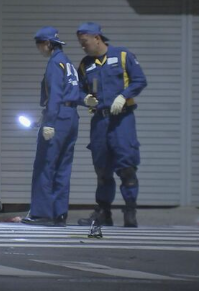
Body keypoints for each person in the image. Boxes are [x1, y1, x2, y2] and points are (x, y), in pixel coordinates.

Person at [76, 22, 147, 227]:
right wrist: (85, 99)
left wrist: (124, 97)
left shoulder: (123, 56)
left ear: (97, 38)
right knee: (102, 170)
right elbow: (79, 89)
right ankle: (104, 212)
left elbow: (139, 81)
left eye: (85, 42)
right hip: (100, 120)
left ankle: (130, 211)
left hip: (122, 119)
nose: (83, 47)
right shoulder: (85, 64)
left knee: (127, 167)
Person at [21, 27, 79, 227]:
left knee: (45, 165)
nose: (39, 50)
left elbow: (55, 94)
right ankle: (59, 212)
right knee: (63, 166)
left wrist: (49, 122)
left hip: (58, 116)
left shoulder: (54, 64)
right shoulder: (67, 62)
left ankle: (42, 213)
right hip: (72, 116)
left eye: (39, 45)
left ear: (46, 44)